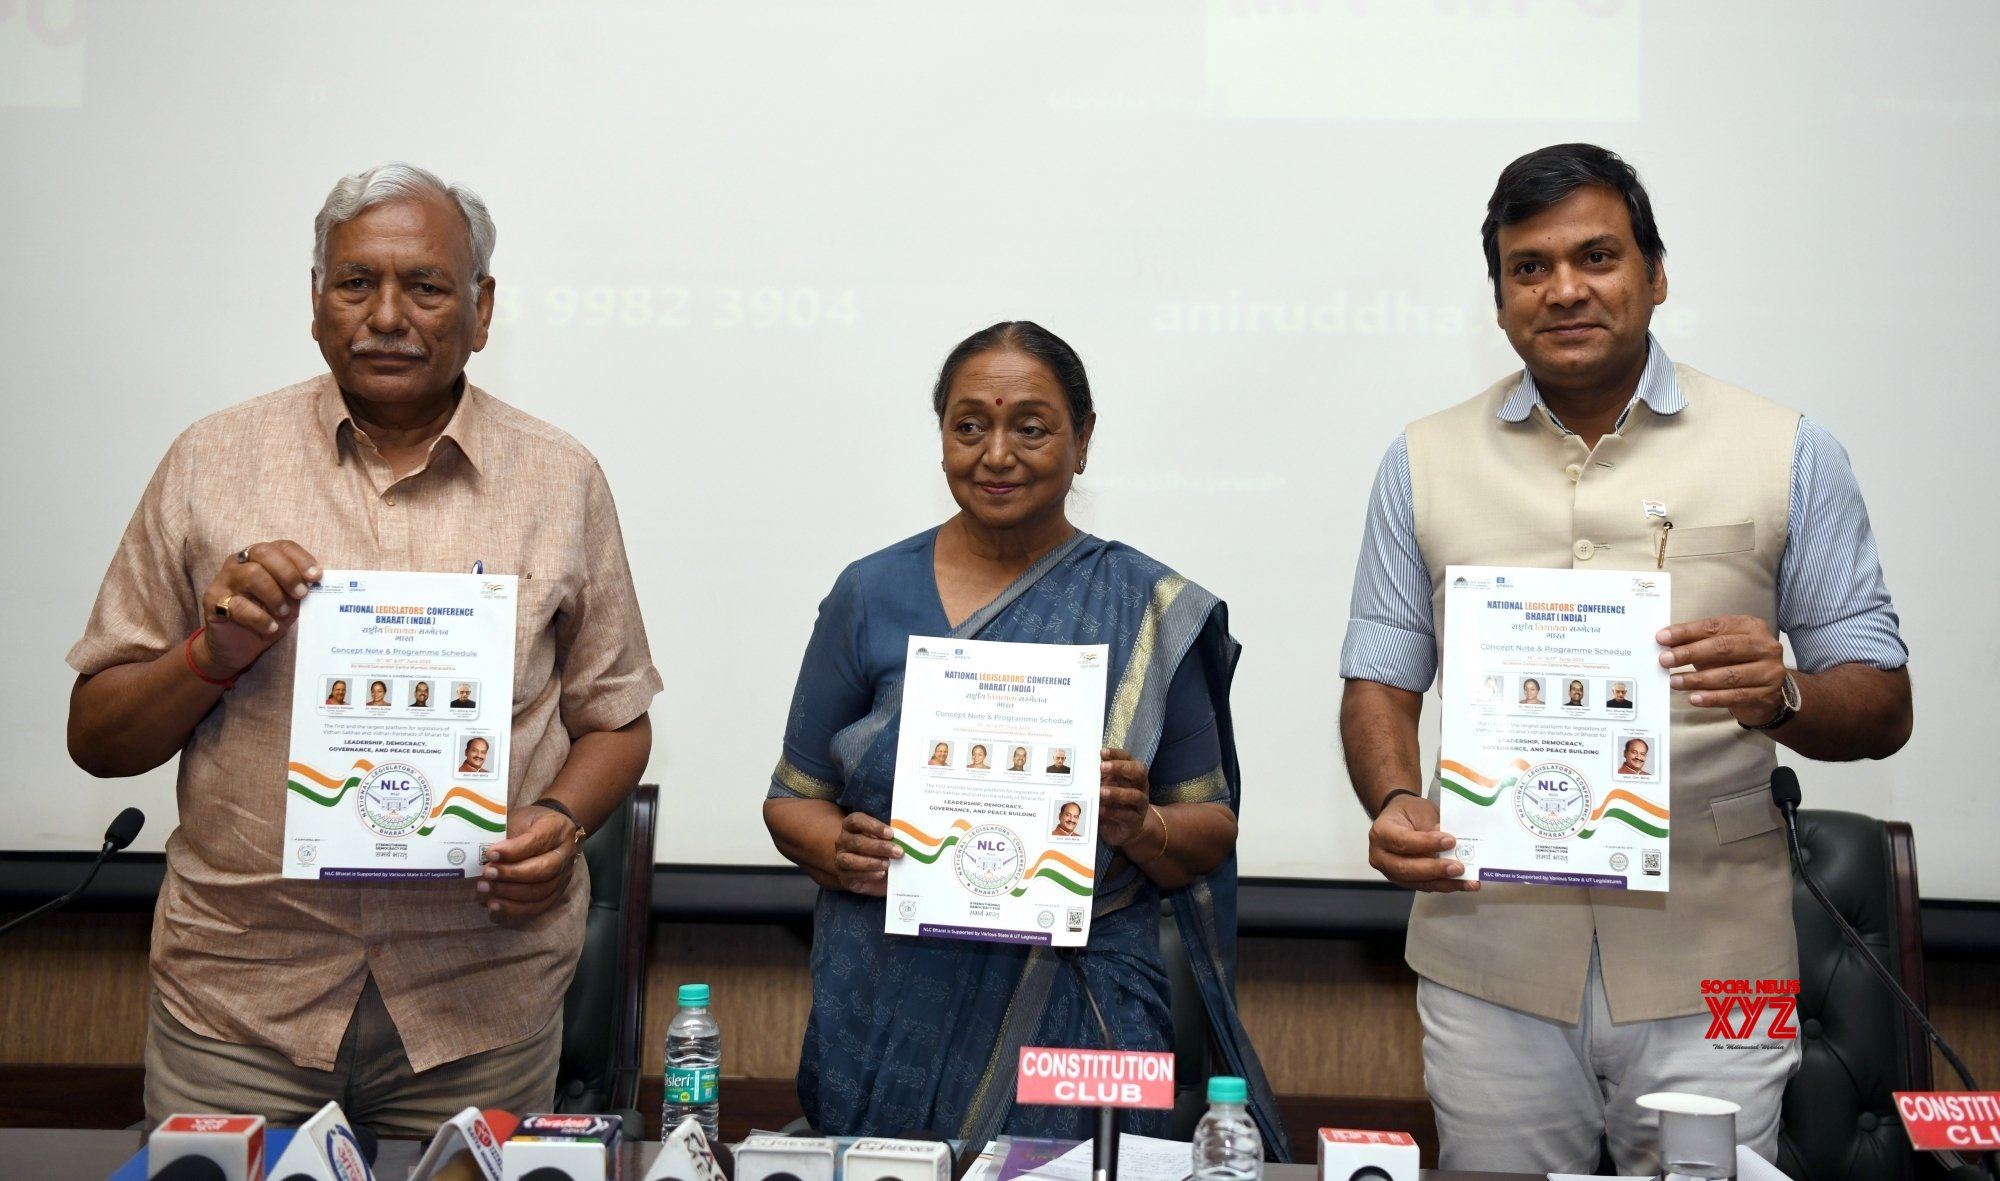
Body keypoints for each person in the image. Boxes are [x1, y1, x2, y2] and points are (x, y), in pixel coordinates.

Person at [1338, 144, 1910, 1174]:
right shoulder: (1420, 457)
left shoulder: (1785, 448)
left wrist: (1780, 691)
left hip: (1716, 961)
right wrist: (1389, 797)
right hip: (1488, 955)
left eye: (1595, 256)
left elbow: (1879, 699)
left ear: (1653, 274)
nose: (1562, 289)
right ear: (1499, 297)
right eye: (1527, 267)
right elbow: (1379, 675)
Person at [65, 162, 661, 1135]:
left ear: (480, 309)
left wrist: (558, 817)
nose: (388, 314)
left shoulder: (561, 479)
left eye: (425, 286)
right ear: (314, 300)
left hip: (480, 1004)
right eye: (356, 282)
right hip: (241, 1004)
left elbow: (616, 718)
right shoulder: (209, 461)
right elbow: (97, 736)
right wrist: (208, 655)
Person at [763, 321, 1286, 1152]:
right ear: (941, 438)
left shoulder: (1147, 605)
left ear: (1082, 440)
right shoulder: (868, 592)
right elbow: (794, 801)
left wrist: (1137, 825)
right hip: (890, 997)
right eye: (969, 425)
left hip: (1080, 1008)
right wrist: (840, 848)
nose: (996, 452)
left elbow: (1208, 828)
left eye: (1030, 426)